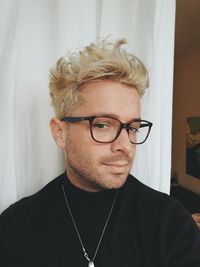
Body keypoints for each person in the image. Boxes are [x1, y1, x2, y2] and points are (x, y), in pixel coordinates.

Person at [0, 38, 200, 267]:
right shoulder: (17, 227)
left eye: (132, 128)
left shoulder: (170, 223)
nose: (125, 145)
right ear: (60, 133)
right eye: (103, 125)